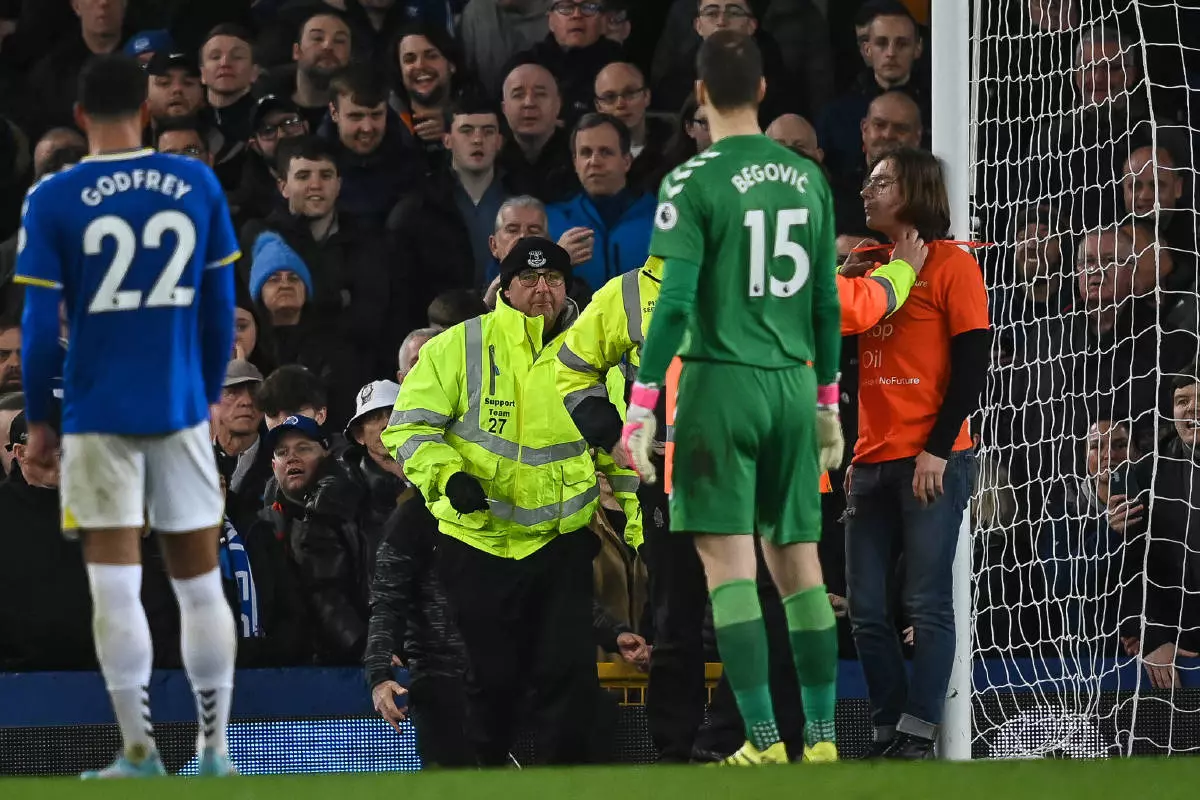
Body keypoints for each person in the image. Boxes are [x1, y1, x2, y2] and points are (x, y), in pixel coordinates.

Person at [618, 31, 842, 766]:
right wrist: (828, 402)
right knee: (801, 570)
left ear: (702, 94)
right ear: (765, 91)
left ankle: (766, 744)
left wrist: (644, 406)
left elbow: (674, 302)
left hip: (718, 385)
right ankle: (824, 740)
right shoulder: (808, 181)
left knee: (730, 574)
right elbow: (823, 306)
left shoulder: (690, 181)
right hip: (791, 388)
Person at [13, 54, 239, 778]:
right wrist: (205, 397)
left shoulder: (53, 196)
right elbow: (217, 312)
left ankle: (138, 751)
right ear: (147, 111)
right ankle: (214, 751)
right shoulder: (196, 182)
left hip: (97, 416)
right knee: (198, 584)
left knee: (114, 585)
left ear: (80, 118)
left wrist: (42, 415)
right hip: (177, 408)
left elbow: (40, 327)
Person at [383, 237, 641, 766]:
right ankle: (487, 776)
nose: (541, 289)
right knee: (492, 680)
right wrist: (448, 477)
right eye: (528, 279)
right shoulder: (460, 345)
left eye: (553, 279)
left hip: (561, 542)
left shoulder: (597, 357)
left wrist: (640, 533)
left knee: (565, 677)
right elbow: (408, 427)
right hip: (478, 541)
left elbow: (623, 456)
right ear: (505, 286)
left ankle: (558, 785)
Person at [848, 147, 989, 759]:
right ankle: (886, 724)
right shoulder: (869, 268)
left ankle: (918, 730)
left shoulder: (956, 264)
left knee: (926, 602)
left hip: (932, 461)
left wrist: (936, 448)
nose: (866, 189)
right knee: (865, 610)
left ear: (916, 192)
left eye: (882, 181)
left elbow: (973, 366)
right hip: (869, 459)